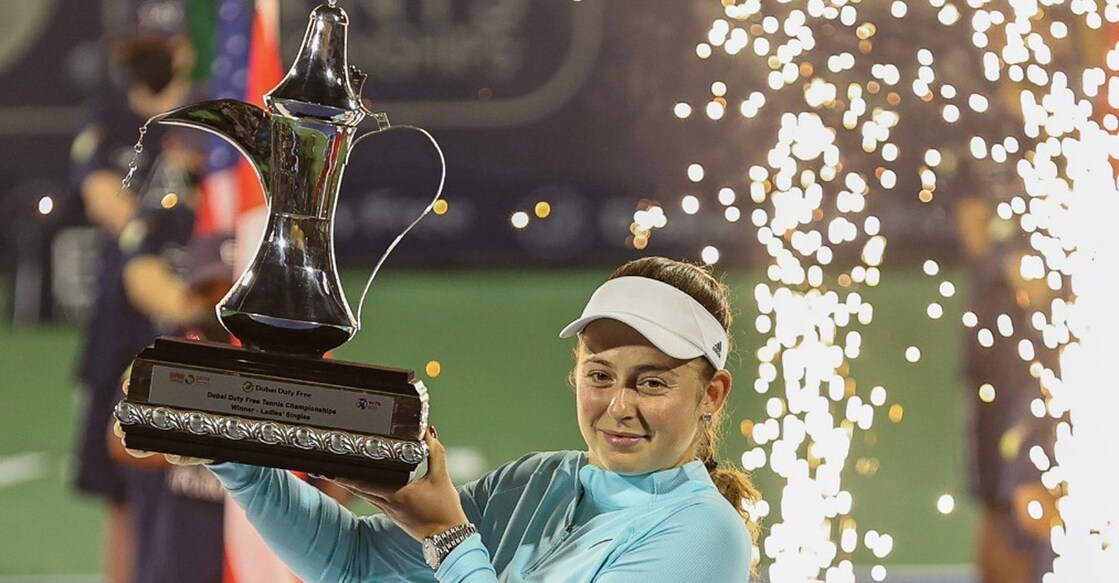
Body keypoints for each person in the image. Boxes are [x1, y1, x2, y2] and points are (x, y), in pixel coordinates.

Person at [121, 256, 762, 581]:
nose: (619, 406)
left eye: (652, 383)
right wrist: (236, 452)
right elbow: (352, 564)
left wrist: (449, 536)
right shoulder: (538, 482)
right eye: (600, 376)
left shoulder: (705, 536)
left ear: (712, 395)